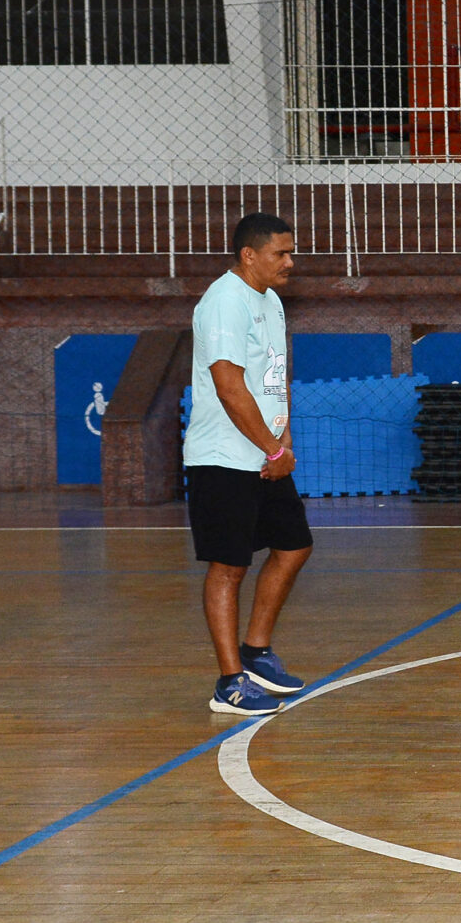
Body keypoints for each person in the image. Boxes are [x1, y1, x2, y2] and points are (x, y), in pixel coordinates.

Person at [185, 212, 313, 716]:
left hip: (264, 453)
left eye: (291, 251)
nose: (290, 261)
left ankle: (256, 653)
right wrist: (273, 450)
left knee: (294, 546)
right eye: (281, 253)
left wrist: (282, 436)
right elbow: (229, 386)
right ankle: (229, 682)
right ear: (249, 255)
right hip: (223, 457)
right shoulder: (224, 302)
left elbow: (273, 376)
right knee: (229, 566)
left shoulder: (271, 300)